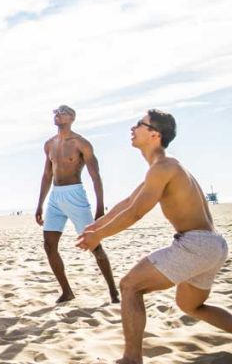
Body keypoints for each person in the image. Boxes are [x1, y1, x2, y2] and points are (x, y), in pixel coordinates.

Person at [77, 110, 230, 364]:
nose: (133, 128)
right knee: (191, 306)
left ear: (154, 134)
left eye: (140, 124)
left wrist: (99, 236)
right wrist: (94, 227)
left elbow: (136, 212)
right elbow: (128, 202)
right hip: (214, 245)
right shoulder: (163, 167)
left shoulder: (163, 168)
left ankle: (131, 359)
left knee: (130, 286)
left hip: (197, 244)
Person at [35, 105, 119, 303]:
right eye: (56, 112)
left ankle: (113, 291)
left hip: (75, 195)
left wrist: (100, 207)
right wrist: (40, 204)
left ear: (72, 118)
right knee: (49, 245)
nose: (57, 114)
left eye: (62, 112)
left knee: (94, 245)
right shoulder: (49, 144)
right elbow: (47, 175)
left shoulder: (81, 143)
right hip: (55, 197)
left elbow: (95, 176)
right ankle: (67, 292)